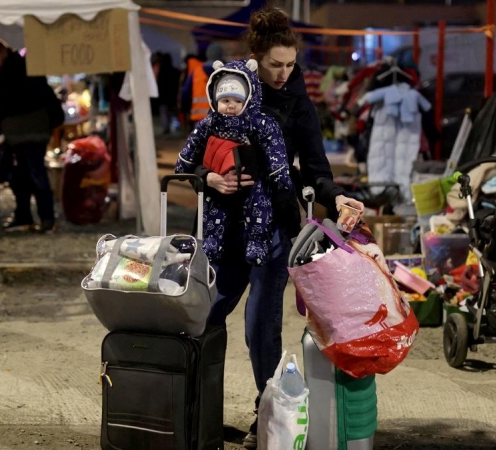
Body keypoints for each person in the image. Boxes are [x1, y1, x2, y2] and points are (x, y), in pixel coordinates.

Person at [183, 8, 365, 448]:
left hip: (274, 228)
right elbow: (193, 159)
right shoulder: (229, 95)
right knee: (205, 315)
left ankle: (266, 416)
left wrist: (336, 195)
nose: (284, 73)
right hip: (224, 226)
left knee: (259, 324)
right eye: (275, 65)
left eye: (290, 64)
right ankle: (191, 409)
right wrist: (209, 179)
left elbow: (317, 167)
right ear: (256, 59)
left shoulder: (299, 104)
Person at [175, 59, 293, 266]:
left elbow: (274, 146)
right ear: (215, 99)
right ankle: (211, 243)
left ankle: (257, 242)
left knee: (259, 206)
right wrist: (185, 165)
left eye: (237, 101)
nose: (231, 106)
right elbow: (192, 146)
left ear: (247, 100)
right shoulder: (209, 122)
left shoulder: (259, 122)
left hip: (252, 184)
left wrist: (279, 175)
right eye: (225, 100)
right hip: (219, 186)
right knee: (212, 210)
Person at [0, 40, 64, 232]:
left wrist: (0, 122)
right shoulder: (20, 66)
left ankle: (43, 216)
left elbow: (6, 105)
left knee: (31, 174)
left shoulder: (12, 70)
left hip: (26, 133)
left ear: (0, 53)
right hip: (30, 131)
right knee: (24, 174)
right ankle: (33, 216)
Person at [155, 53, 180, 136]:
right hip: (172, 96)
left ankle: (166, 129)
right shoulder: (175, 71)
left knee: (164, 113)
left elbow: (159, 85)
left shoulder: (161, 72)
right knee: (172, 113)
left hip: (163, 97)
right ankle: (174, 128)